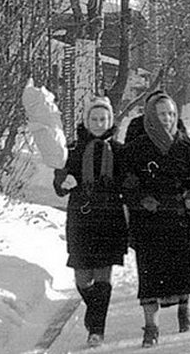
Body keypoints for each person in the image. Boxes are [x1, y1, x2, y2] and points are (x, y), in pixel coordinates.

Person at [120, 92, 190, 348]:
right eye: (162, 114)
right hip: (150, 221)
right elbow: (126, 184)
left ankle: (185, 306)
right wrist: (140, 199)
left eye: (171, 114)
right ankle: (151, 327)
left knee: (184, 269)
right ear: (151, 117)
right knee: (150, 276)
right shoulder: (136, 149)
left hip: (181, 219)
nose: (168, 119)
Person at [51, 97, 130, 347]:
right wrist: (64, 182)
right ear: (86, 121)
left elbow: (129, 181)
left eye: (103, 119)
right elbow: (59, 181)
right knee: (83, 279)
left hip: (109, 218)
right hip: (81, 218)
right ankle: (93, 311)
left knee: (103, 276)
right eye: (94, 119)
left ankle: (97, 329)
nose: (99, 123)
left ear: (110, 120)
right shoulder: (72, 149)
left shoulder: (119, 150)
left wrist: (120, 184)